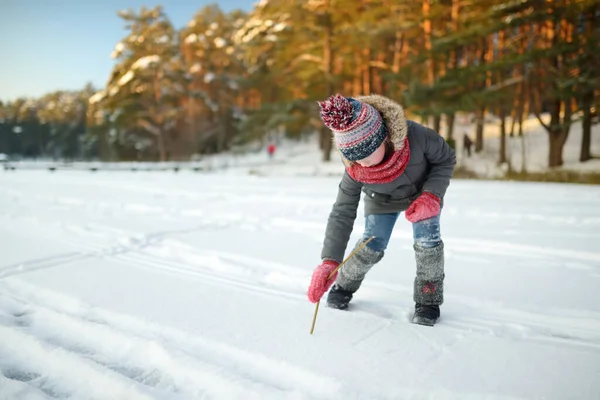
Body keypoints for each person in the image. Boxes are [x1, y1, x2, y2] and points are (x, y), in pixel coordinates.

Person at [307, 94, 456, 326]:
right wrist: (329, 262)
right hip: (381, 199)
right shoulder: (355, 169)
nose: (362, 164)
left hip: (422, 195)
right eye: (354, 159)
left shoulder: (417, 136)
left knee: (428, 242)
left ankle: (428, 300)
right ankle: (344, 285)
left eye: (366, 156)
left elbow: (446, 159)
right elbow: (342, 211)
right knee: (371, 244)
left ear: (382, 138)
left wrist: (432, 195)